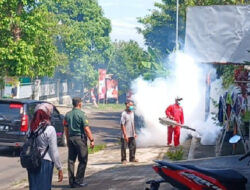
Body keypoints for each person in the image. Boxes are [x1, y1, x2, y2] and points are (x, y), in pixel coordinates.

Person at [28, 103, 63, 190]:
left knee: (34, 187)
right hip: (45, 162)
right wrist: (59, 167)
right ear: (47, 115)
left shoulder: (31, 129)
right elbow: (54, 151)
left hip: (32, 162)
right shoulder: (50, 129)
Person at [64, 97, 94, 188]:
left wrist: (68, 140)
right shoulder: (82, 114)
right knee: (83, 159)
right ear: (79, 104)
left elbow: (66, 129)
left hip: (71, 139)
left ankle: (71, 181)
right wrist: (91, 140)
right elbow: (86, 128)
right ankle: (78, 180)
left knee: (71, 160)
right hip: (80, 139)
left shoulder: (67, 115)